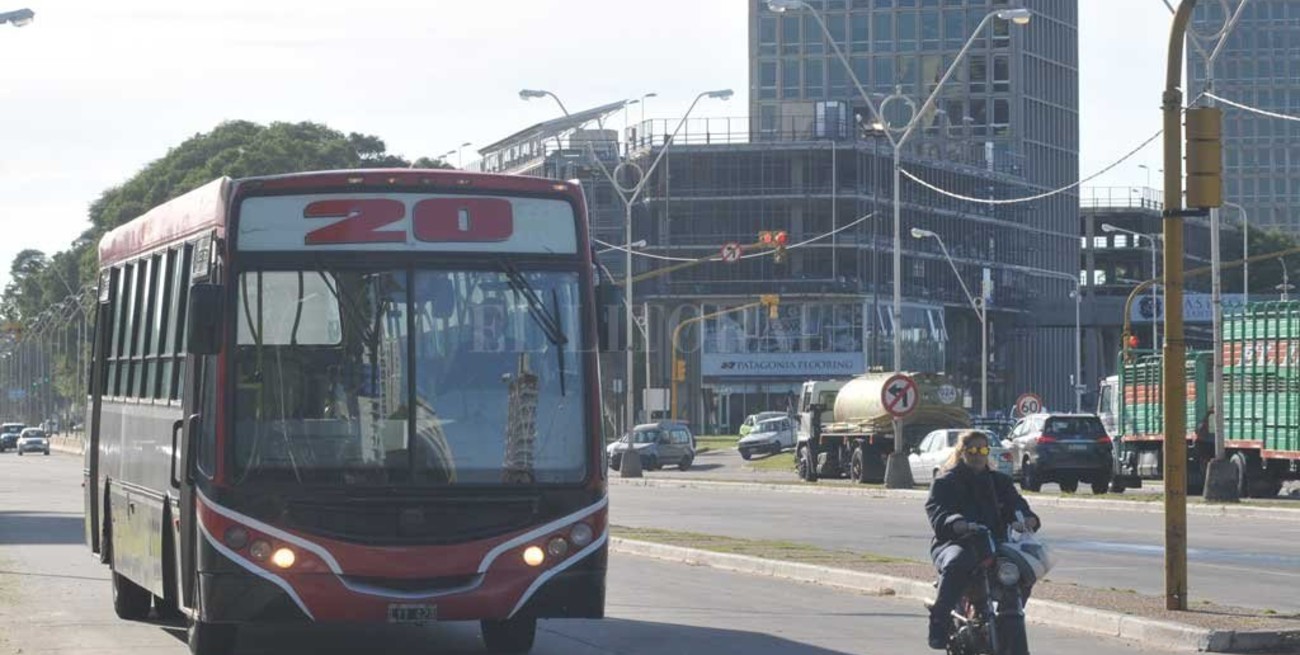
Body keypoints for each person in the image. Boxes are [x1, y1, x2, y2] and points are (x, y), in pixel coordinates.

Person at [924, 430, 1040, 650]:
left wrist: (1027, 519)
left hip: (994, 543)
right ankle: (939, 621)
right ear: (962, 452)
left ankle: (1010, 612)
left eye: (983, 450)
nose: (978, 455)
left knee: (1021, 570)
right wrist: (957, 523)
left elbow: (1017, 505)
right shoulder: (945, 481)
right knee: (958, 563)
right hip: (955, 542)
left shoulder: (999, 482)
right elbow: (937, 511)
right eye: (973, 450)